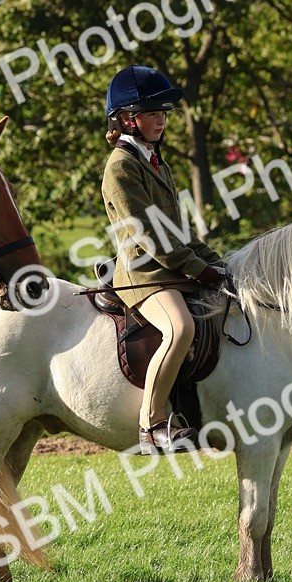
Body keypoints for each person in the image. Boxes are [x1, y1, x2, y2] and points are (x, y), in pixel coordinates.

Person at [102, 65, 226, 454]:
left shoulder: (158, 162)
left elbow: (179, 231)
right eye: (153, 113)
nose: (162, 120)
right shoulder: (120, 167)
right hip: (144, 274)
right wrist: (196, 269)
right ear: (127, 119)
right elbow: (149, 236)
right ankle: (152, 424)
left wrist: (217, 263)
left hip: (169, 268)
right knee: (180, 328)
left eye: (164, 113)